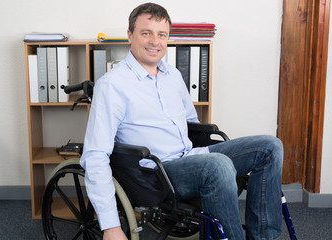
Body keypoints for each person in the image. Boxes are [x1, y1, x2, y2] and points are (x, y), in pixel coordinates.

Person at [80, 2, 283, 239]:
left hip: (189, 157)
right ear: (130, 35)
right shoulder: (112, 85)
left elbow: (191, 124)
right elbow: (95, 155)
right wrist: (111, 226)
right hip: (156, 174)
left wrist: (205, 147)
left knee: (270, 147)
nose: (155, 41)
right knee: (217, 165)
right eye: (146, 33)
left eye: (161, 34)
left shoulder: (173, 75)